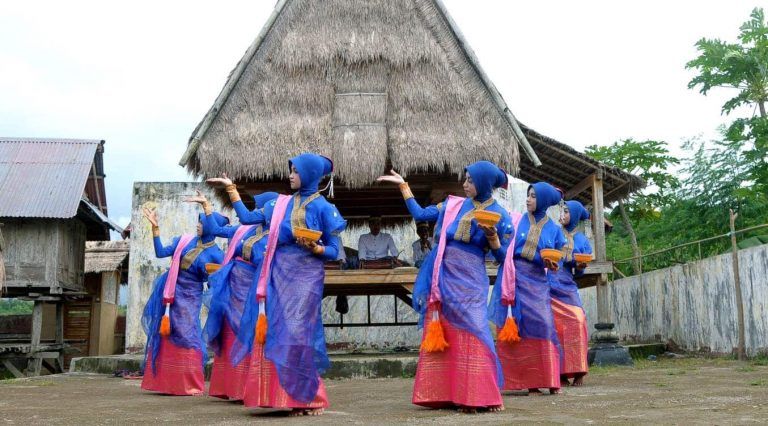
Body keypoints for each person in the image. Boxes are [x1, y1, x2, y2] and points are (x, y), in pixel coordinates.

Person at [208, 153, 345, 416]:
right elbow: (247, 219)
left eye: (295, 171)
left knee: (298, 334)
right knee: (277, 331)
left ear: (310, 174)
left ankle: (308, 398)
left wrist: (317, 247)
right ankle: (277, 396)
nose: (290, 175)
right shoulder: (280, 204)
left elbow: (335, 249)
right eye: (290, 170)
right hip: (276, 273)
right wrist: (231, 189)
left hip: (305, 277)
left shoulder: (323, 207)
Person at [377, 161, 512, 413]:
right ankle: (446, 392)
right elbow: (419, 214)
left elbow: (504, 258)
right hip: (443, 276)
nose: (464, 184)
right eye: (465, 179)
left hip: (471, 279)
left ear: (483, 183)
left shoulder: (501, 215)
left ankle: (481, 393)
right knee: (447, 330)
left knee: (475, 327)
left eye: (470, 180)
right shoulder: (452, 205)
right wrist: (404, 186)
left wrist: (492, 237)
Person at [192, 191, 278, 401]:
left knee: (249, 335)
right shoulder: (244, 231)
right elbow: (216, 229)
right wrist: (206, 207)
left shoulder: (277, 236)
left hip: (254, 290)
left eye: (260, 207)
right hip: (233, 289)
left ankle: (248, 390)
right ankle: (230, 388)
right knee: (230, 335)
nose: (256, 211)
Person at [140, 204, 227, 396]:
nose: (198, 225)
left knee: (187, 334)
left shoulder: (218, 255)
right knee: (167, 332)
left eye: (202, 222)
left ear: (212, 227)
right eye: (198, 221)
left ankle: (190, 383)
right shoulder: (184, 241)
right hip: (170, 292)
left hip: (190, 296)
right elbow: (161, 252)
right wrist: (155, 228)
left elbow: (218, 281)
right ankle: (164, 382)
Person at [489, 182, 566, 395]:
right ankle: (530, 382)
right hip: (514, 277)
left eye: (533, 196)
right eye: (528, 195)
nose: (528, 199)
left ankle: (550, 379)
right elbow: (502, 253)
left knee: (544, 323)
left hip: (538, 281)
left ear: (542, 200)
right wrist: (493, 240)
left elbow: (559, 258)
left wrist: (552, 263)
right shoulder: (516, 221)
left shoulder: (555, 231)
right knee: (521, 327)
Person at [550, 200, 592, 387]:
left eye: (566, 212)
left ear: (574, 215)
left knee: (577, 321)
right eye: (561, 211)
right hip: (550, 284)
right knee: (555, 328)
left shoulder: (582, 239)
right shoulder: (554, 232)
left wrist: (581, 267)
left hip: (568, 286)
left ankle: (579, 370)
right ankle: (559, 373)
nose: (563, 215)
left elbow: (580, 272)